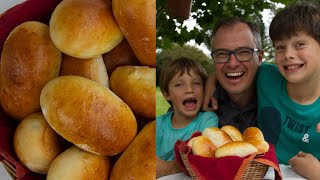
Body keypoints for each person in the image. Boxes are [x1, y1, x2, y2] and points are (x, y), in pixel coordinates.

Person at [204, 3, 320, 179]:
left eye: (300, 44)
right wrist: (210, 83)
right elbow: (230, 67)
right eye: (280, 47)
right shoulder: (268, 78)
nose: (288, 54)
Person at [156, 57, 219, 178]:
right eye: (179, 84)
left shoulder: (207, 120)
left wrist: (166, 168)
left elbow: (200, 157)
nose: (189, 90)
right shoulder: (158, 124)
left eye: (196, 83)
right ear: (166, 94)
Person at [202, 17, 263, 133]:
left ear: (259, 57)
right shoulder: (200, 104)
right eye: (222, 54)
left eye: (244, 52)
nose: (232, 64)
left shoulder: (279, 96)